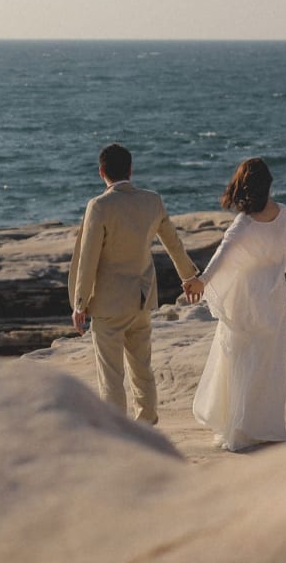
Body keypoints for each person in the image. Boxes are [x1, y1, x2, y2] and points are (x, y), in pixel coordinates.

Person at [69, 143, 201, 423]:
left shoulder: (99, 206)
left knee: (112, 377)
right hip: (142, 300)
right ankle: (147, 425)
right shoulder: (152, 201)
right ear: (131, 169)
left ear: (101, 172)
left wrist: (79, 303)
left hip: (107, 305)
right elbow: (173, 244)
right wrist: (189, 277)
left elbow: (88, 259)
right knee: (142, 369)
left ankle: (118, 432)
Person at [190, 157, 286, 451]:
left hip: (245, 297)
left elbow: (223, 254)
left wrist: (202, 280)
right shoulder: (284, 213)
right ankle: (263, 426)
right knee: (269, 361)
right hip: (273, 296)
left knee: (240, 359)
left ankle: (240, 429)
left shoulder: (245, 223)